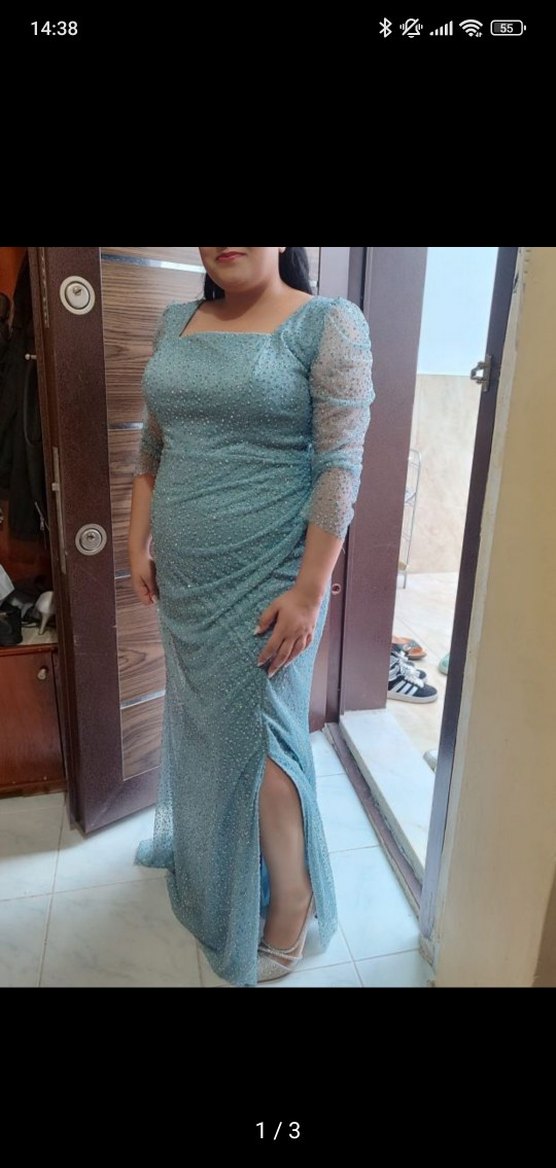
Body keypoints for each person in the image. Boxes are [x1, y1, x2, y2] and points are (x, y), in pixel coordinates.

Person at [128, 247, 375, 986]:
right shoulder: (177, 321)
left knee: (266, 741)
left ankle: (292, 900)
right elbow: (153, 445)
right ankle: (217, 865)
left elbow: (340, 466)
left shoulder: (327, 324)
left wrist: (309, 592)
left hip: (272, 577)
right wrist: (136, 539)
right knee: (206, 728)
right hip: (187, 581)